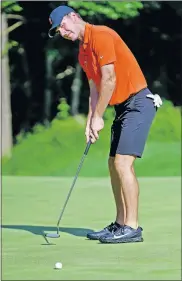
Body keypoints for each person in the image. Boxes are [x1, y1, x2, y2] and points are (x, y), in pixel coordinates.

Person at [48, 5, 162, 244]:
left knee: (122, 164)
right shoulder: (83, 52)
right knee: (112, 164)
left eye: (62, 25)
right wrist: (91, 119)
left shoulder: (101, 35)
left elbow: (110, 79)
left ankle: (132, 227)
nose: (62, 31)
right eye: (58, 30)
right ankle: (120, 223)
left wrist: (100, 116)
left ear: (74, 17)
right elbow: (94, 88)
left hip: (139, 102)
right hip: (122, 108)